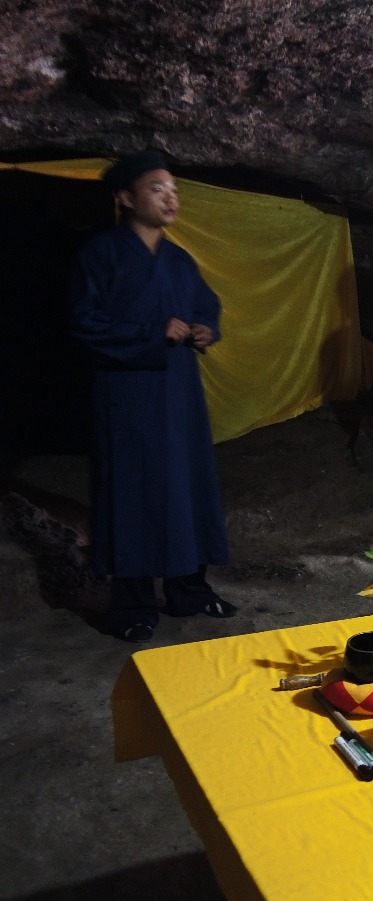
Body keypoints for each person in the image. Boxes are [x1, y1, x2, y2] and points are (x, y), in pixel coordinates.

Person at [69, 151, 235, 643]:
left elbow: (206, 306)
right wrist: (150, 332)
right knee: (132, 493)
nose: (170, 198)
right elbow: (84, 324)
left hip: (179, 394)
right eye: (157, 188)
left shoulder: (179, 260)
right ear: (125, 197)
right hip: (128, 395)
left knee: (186, 487)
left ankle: (188, 589)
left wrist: (206, 329)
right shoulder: (100, 254)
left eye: (174, 190)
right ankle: (133, 604)